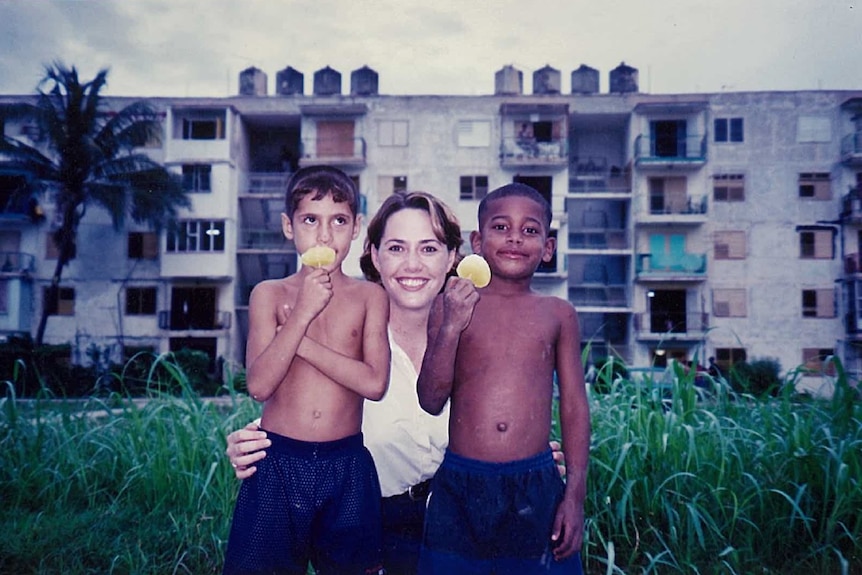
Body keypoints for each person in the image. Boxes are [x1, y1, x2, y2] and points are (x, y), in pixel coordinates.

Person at [226, 190, 568, 574]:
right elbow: (306, 411)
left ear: (453, 257)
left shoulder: (484, 334)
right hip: (376, 527)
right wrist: (254, 438)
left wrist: (532, 457)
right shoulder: (344, 331)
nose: (412, 265)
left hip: (466, 526)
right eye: (395, 248)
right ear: (374, 255)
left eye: (429, 249)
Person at [222, 166, 391, 575]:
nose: (324, 235)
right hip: (277, 461)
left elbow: (375, 383)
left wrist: (305, 344)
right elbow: (259, 385)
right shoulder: (269, 294)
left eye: (339, 221)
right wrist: (301, 315)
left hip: (346, 464)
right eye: (310, 220)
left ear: (355, 229)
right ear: (288, 226)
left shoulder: (370, 296)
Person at [416, 183, 590, 574]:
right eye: (501, 227)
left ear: (547, 248)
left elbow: (575, 406)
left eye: (530, 230)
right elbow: (430, 398)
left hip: (536, 486)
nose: (514, 237)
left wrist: (574, 496)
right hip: (461, 485)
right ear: (478, 241)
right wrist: (450, 329)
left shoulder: (557, 313)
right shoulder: (452, 303)